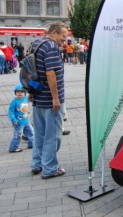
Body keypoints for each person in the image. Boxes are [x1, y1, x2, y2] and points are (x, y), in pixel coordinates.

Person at [30, 21, 68, 179]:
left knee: (39, 134)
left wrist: (30, 92)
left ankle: (37, 164)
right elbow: (50, 73)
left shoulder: (37, 43)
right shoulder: (51, 47)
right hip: (49, 100)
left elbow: (31, 69)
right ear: (54, 32)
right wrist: (55, 98)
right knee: (53, 136)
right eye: (63, 37)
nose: (64, 41)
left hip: (38, 97)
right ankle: (50, 168)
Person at [8, 84, 34, 152]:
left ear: (24, 93)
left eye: (22, 92)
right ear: (15, 93)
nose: (20, 93)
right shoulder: (14, 102)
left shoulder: (25, 98)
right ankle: (13, 148)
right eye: (18, 92)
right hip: (18, 123)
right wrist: (13, 119)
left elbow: (30, 99)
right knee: (18, 135)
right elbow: (10, 111)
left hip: (26, 121)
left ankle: (31, 144)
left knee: (31, 132)